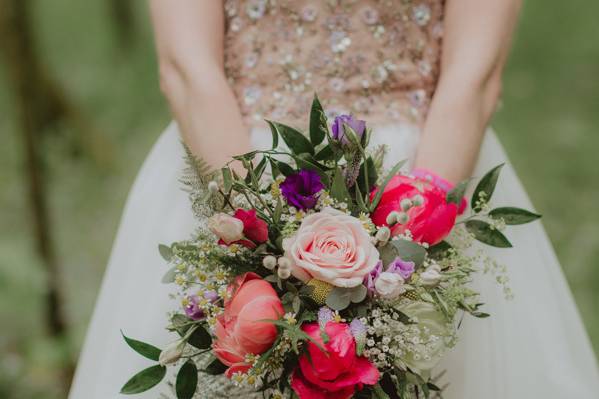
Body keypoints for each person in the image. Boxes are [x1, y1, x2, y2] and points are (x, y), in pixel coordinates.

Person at [69, 1, 599, 397]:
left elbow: (475, 76)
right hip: (232, 165)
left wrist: (405, 249)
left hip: (422, 173)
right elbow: (187, 69)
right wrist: (256, 240)